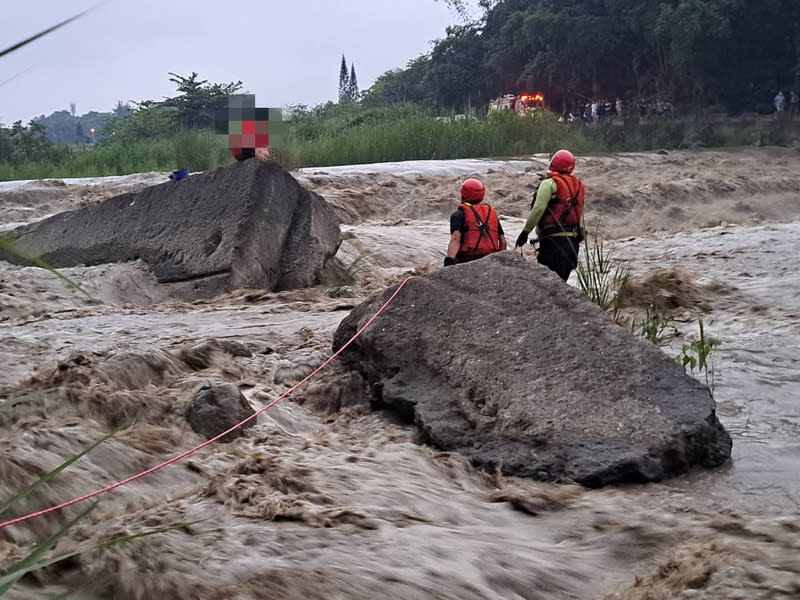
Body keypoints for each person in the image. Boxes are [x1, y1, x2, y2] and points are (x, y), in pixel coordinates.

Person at [515, 149, 586, 281]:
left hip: (553, 244)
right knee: (561, 284)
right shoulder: (579, 186)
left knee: (546, 286)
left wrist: (525, 233)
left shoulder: (549, 184)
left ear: (553, 163)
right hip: (572, 245)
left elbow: (538, 210)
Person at [444, 178, 507, 266]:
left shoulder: (458, 215)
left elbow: (455, 239)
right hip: (490, 259)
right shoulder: (490, 214)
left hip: (467, 260)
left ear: (463, 194)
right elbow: (503, 241)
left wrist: (449, 261)